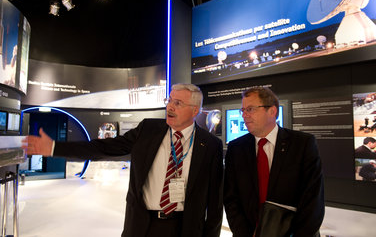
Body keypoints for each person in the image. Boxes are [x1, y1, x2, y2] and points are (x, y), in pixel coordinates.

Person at [22, 83, 224, 237]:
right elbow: (103, 147)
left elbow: (215, 202)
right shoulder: (148, 130)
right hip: (142, 225)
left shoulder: (210, 145)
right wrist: (55, 147)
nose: (170, 106)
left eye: (177, 103)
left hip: (185, 228)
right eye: (169, 100)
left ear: (195, 110)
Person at [223, 86, 324, 237]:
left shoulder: (302, 144)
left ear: (272, 111)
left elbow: (313, 199)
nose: (244, 115)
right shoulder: (236, 148)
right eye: (243, 110)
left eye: (250, 109)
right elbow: (231, 197)